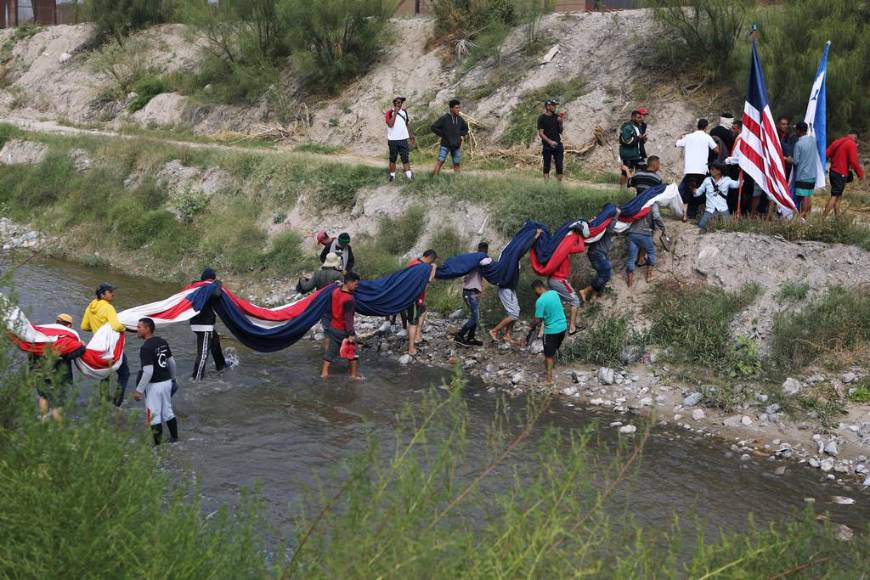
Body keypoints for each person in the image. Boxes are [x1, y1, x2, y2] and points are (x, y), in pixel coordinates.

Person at [489, 228, 544, 344]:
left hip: (510, 288)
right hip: (505, 289)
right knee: (514, 314)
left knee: (515, 311)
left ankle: (507, 335)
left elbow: (521, 250)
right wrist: (535, 236)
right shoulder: (510, 257)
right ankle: (494, 331)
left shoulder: (512, 259)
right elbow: (523, 248)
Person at [81, 283, 130, 407]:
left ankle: (104, 402)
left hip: (98, 348)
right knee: (124, 373)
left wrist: (97, 330)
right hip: (111, 347)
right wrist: (125, 327)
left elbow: (84, 326)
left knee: (105, 374)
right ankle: (117, 403)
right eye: (110, 292)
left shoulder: (90, 307)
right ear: (102, 294)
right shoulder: (108, 307)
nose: (113, 293)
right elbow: (116, 326)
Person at [132, 317, 178, 446]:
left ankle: (158, 448)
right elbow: (172, 362)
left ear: (147, 329)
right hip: (167, 382)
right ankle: (175, 440)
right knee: (168, 412)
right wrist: (173, 379)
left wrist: (139, 390)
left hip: (154, 386)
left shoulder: (145, 348)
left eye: (139, 327)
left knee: (153, 416)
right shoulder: (162, 341)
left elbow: (148, 371)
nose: (137, 330)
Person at [29, 313, 83, 421]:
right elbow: (73, 355)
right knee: (57, 404)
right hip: (58, 376)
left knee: (43, 396)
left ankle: (43, 419)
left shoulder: (42, 335)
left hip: (40, 372)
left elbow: (32, 353)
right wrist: (81, 346)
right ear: (69, 326)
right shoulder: (67, 340)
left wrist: (32, 371)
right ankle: (58, 431)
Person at [320, 272, 362, 380]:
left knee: (330, 352)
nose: (356, 286)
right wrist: (351, 334)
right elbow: (348, 318)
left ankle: (324, 373)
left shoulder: (335, 292)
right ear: (349, 282)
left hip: (333, 327)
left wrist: (340, 285)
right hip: (343, 330)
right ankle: (353, 376)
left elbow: (340, 290)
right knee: (352, 353)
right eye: (356, 284)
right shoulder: (350, 299)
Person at [526, 279, 568, 385]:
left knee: (548, 355)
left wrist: (530, 326)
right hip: (563, 327)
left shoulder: (540, 301)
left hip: (551, 331)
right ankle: (551, 367)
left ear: (538, 288)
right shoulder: (554, 293)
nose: (535, 293)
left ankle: (549, 380)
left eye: (535, 291)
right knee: (554, 350)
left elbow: (538, 319)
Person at [676, 119, 719, 220]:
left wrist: (681, 137)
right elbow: (716, 150)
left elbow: (677, 144)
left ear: (697, 126)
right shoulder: (707, 137)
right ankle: (694, 213)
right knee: (698, 191)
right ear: (706, 127)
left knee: (688, 191)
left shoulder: (688, 137)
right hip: (702, 169)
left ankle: (685, 214)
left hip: (690, 169)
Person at [190, 268, 227, 381]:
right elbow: (217, 294)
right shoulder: (209, 288)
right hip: (204, 325)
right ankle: (196, 378)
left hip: (197, 323)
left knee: (215, 342)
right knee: (203, 353)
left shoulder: (196, 287)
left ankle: (221, 366)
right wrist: (218, 284)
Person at [454, 243, 493, 346]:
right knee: (475, 317)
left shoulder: (473, 260)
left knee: (475, 316)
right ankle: (460, 335)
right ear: (486, 250)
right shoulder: (478, 260)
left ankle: (471, 338)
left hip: (472, 292)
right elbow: (487, 262)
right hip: (469, 292)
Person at [546, 229, 583, 336]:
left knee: (559, 303)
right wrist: (580, 235)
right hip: (559, 280)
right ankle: (572, 328)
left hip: (551, 279)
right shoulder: (564, 249)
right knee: (575, 301)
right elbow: (580, 247)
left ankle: (546, 330)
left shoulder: (553, 248)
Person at [579, 209, 620, 302]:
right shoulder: (605, 226)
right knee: (606, 273)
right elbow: (610, 227)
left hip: (596, 253)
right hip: (597, 253)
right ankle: (585, 291)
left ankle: (595, 295)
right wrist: (617, 214)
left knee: (602, 274)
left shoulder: (601, 227)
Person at [824, 131, 865, 218]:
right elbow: (854, 161)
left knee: (838, 196)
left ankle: (838, 219)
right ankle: (822, 218)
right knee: (835, 196)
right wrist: (860, 175)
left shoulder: (837, 141)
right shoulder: (851, 144)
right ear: (855, 138)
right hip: (840, 173)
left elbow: (826, 154)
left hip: (833, 171)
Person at [406, 250, 438, 356]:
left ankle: (418, 335)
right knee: (413, 322)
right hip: (414, 298)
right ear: (430, 258)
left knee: (423, 311)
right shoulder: (423, 267)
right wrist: (433, 268)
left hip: (414, 296)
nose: (432, 263)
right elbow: (428, 280)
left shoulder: (413, 262)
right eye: (432, 261)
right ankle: (411, 348)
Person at [625, 203, 664, 287]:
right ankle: (649, 276)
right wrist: (663, 227)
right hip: (644, 233)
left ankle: (630, 282)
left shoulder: (638, 203)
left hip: (632, 233)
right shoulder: (653, 204)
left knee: (631, 258)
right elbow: (656, 217)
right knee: (651, 253)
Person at [694, 162, 740, 231]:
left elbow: (737, 185)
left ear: (719, 171)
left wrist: (741, 173)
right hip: (709, 210)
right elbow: (698, 192)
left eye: (712, 169)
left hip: (723, 209)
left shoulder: (726, 180)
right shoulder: (707, 180)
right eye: (710, 169)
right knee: (701, 225)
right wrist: (693, 190)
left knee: (728, 227)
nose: (710, 171)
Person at [431, 99, 468, 176]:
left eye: (459, 108)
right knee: (440, 162)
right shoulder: (445, 118)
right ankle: (434, 178)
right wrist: (443, 134)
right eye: (456, 108)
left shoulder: (460, 119)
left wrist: (459, 134)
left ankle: (457, 181)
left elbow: (465, 129)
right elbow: (433, 127)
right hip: (445, 144)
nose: (458, 110)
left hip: (456, 146)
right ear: (451, 109)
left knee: (457, 164)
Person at [791, 122, 819, 219]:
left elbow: (796, 161)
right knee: (809, 195)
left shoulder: (798, 144)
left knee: (804, 197)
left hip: (803, 174)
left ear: (798, 131)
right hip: (812, 174)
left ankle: (802, 217)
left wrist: (787, 159)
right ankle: (806, 216)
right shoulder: (813, 140)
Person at [386, 96, 416, 182]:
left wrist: (411, 135)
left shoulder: (404, 112)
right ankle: (392, 176)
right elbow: (390, 124)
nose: (400, 104)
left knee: (405, 158)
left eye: (401, 102)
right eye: (398, 102)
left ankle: (409, 176)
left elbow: (406, 123)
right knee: (393, 159)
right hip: (393, 140)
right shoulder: (389, 113)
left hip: (403, 139)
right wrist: (395, 112)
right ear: (394, 103)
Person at [537, 98, 565, 181]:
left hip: (557, 144)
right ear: (548, 106)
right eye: (553, 105)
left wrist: (560, 123)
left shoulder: (557, 117)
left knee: (559, 166)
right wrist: (550, 142)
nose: (555, 107)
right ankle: (546, 186)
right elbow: (541, 133)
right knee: (546, 166)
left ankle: (559, 188)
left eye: (555, 105)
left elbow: (560, 131)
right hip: (547, 146)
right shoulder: (541, 118)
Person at [618, 110, 646, 186]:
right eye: (638, 117)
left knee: (641, 169)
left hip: (637, 154)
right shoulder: (627, 127)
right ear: (633, 117)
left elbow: (638, 140)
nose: (640, 119)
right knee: (625, 173)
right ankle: (621, 189)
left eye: (640, 117)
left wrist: (643, 140)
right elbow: (626, 141)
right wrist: (638, 138)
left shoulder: (638, 127)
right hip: (628, 154)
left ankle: (634, 186)